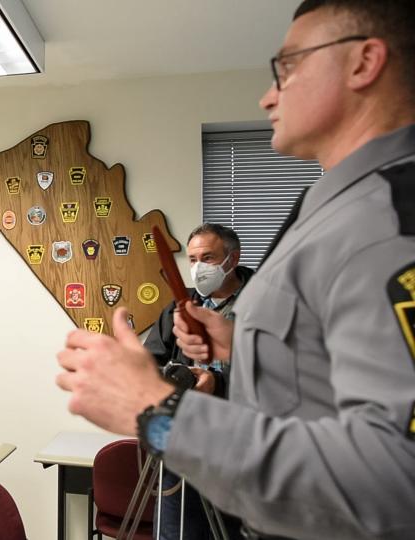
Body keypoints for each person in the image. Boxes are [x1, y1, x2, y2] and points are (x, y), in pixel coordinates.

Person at [56, 1, 415, 539]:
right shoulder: (332, 210)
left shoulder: (390, 218)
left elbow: (393, 477)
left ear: (364, 62)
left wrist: (152, 408)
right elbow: (316, 390)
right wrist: (237, 345)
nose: (268, 94)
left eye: (288, 68)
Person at [143, 224, 253, 540]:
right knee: (179, 530)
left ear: (233, 259)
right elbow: (151, 359)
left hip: (243, 445)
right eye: (192, 259)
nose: (198, 267)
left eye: (208, 257)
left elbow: (282, 373)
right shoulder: (180, 307)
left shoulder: (266, 306)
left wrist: (218, 383)